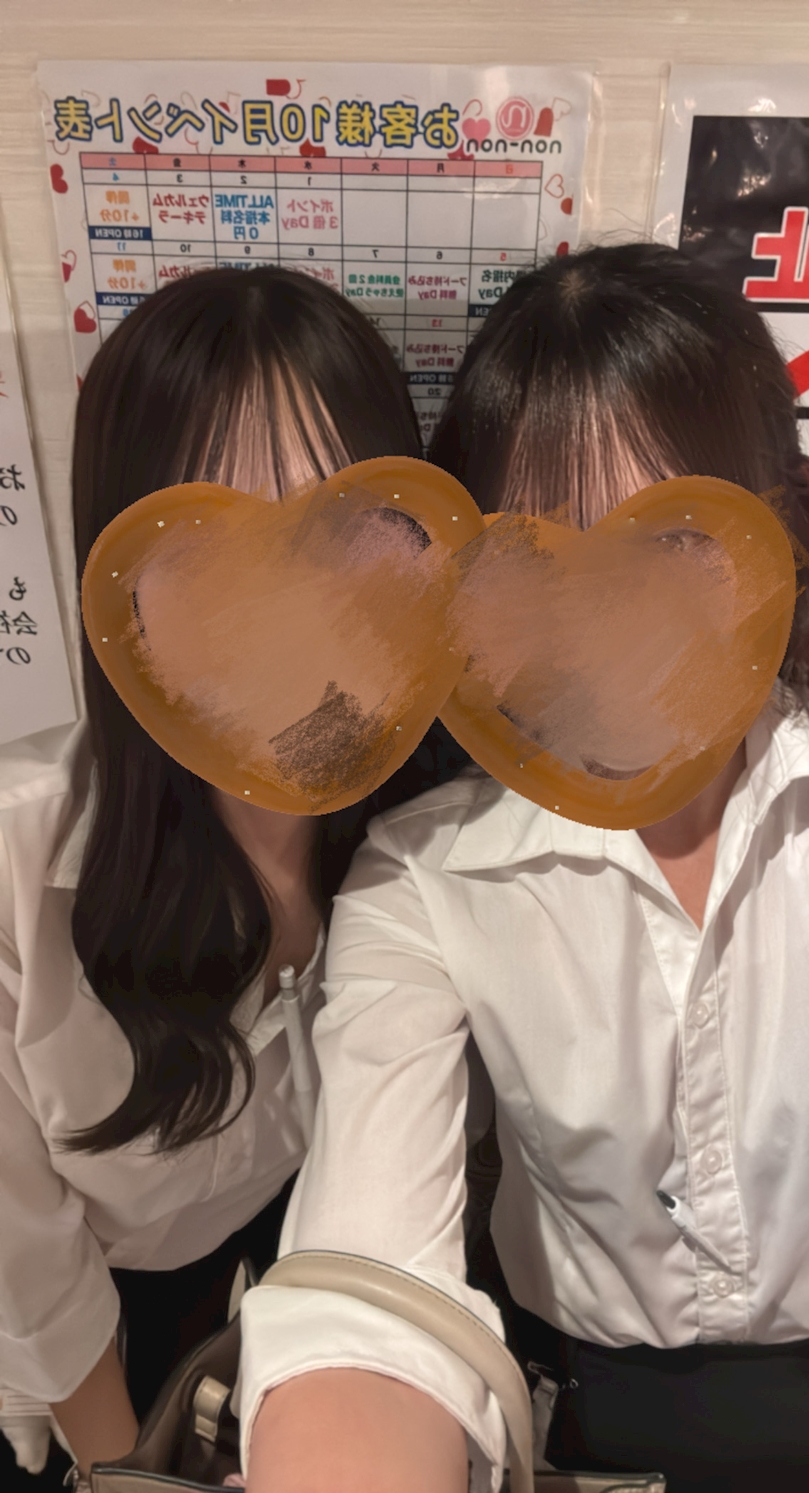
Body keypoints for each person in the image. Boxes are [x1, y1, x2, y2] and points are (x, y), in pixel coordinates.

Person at [241, 244, 809, 1493]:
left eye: (678, 545)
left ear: (789, 523)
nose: (616, 629)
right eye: (546, 569)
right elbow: (367, 1283)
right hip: (586, 1407)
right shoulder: (426, 872)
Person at [0, 265, 469, 1491]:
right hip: (84, 1367)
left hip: (288, 1309)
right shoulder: (17, 869)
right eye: (209, 546)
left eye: (346, 533)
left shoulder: (429, 841)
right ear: (119, 583)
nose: (291, 609)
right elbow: (25, 1264)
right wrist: (126, 1468)